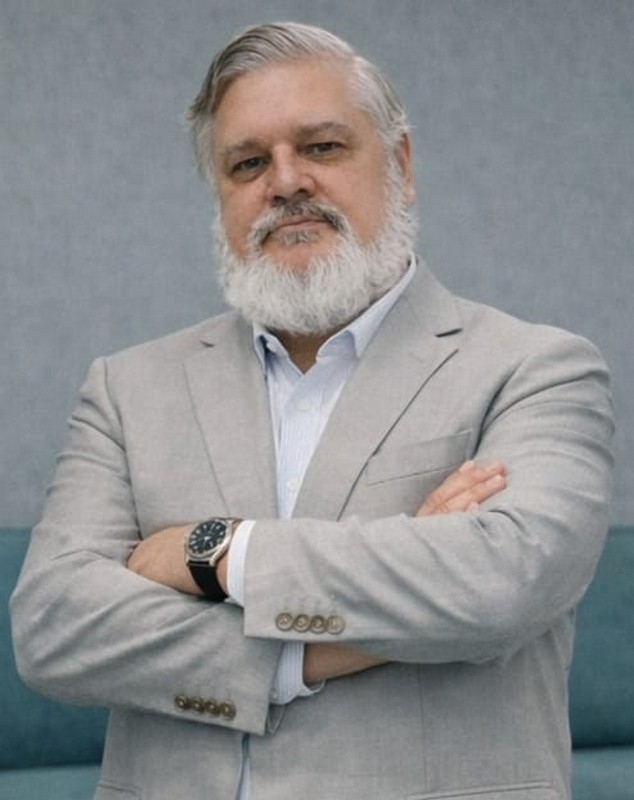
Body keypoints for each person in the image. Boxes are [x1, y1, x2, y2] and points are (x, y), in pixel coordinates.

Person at [11, 21, 613, 800]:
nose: (286, 181)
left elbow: (502, 580)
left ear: (399, 164)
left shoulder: (534, 369)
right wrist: (318, 649)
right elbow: (54, 628)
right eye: (248, 163)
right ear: (220, 194)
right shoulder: (127, 389)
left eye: (321, 147)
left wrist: (214, 553)